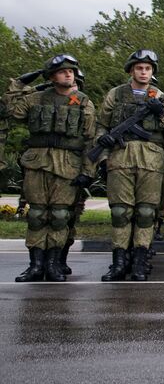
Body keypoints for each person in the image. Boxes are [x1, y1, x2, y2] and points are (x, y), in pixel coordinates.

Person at [5, 54, 96, 282]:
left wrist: (87, 171)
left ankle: (54, 264)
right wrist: (19, 84)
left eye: (72, 71)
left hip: (68, 165)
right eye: (63, 71)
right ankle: (36, 265)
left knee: (59, 216)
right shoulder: (36, 99)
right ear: (52, 76)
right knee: (36, 215)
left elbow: (90, 140)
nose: (69, 74)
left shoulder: (83, 101)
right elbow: (12, 111)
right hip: (37, 162)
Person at [95, 50, 164, 282]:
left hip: (151, 160)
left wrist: (161, 113)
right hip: (120, 157)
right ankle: (119, 262)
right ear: (131, 70)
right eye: (140, 68)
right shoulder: (116, 94)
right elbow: (101, 126)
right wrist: (103, 154)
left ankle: (141, 260)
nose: (144, 72)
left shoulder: (161, 96)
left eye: (148, 68)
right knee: (121, 212)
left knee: (145, 213)